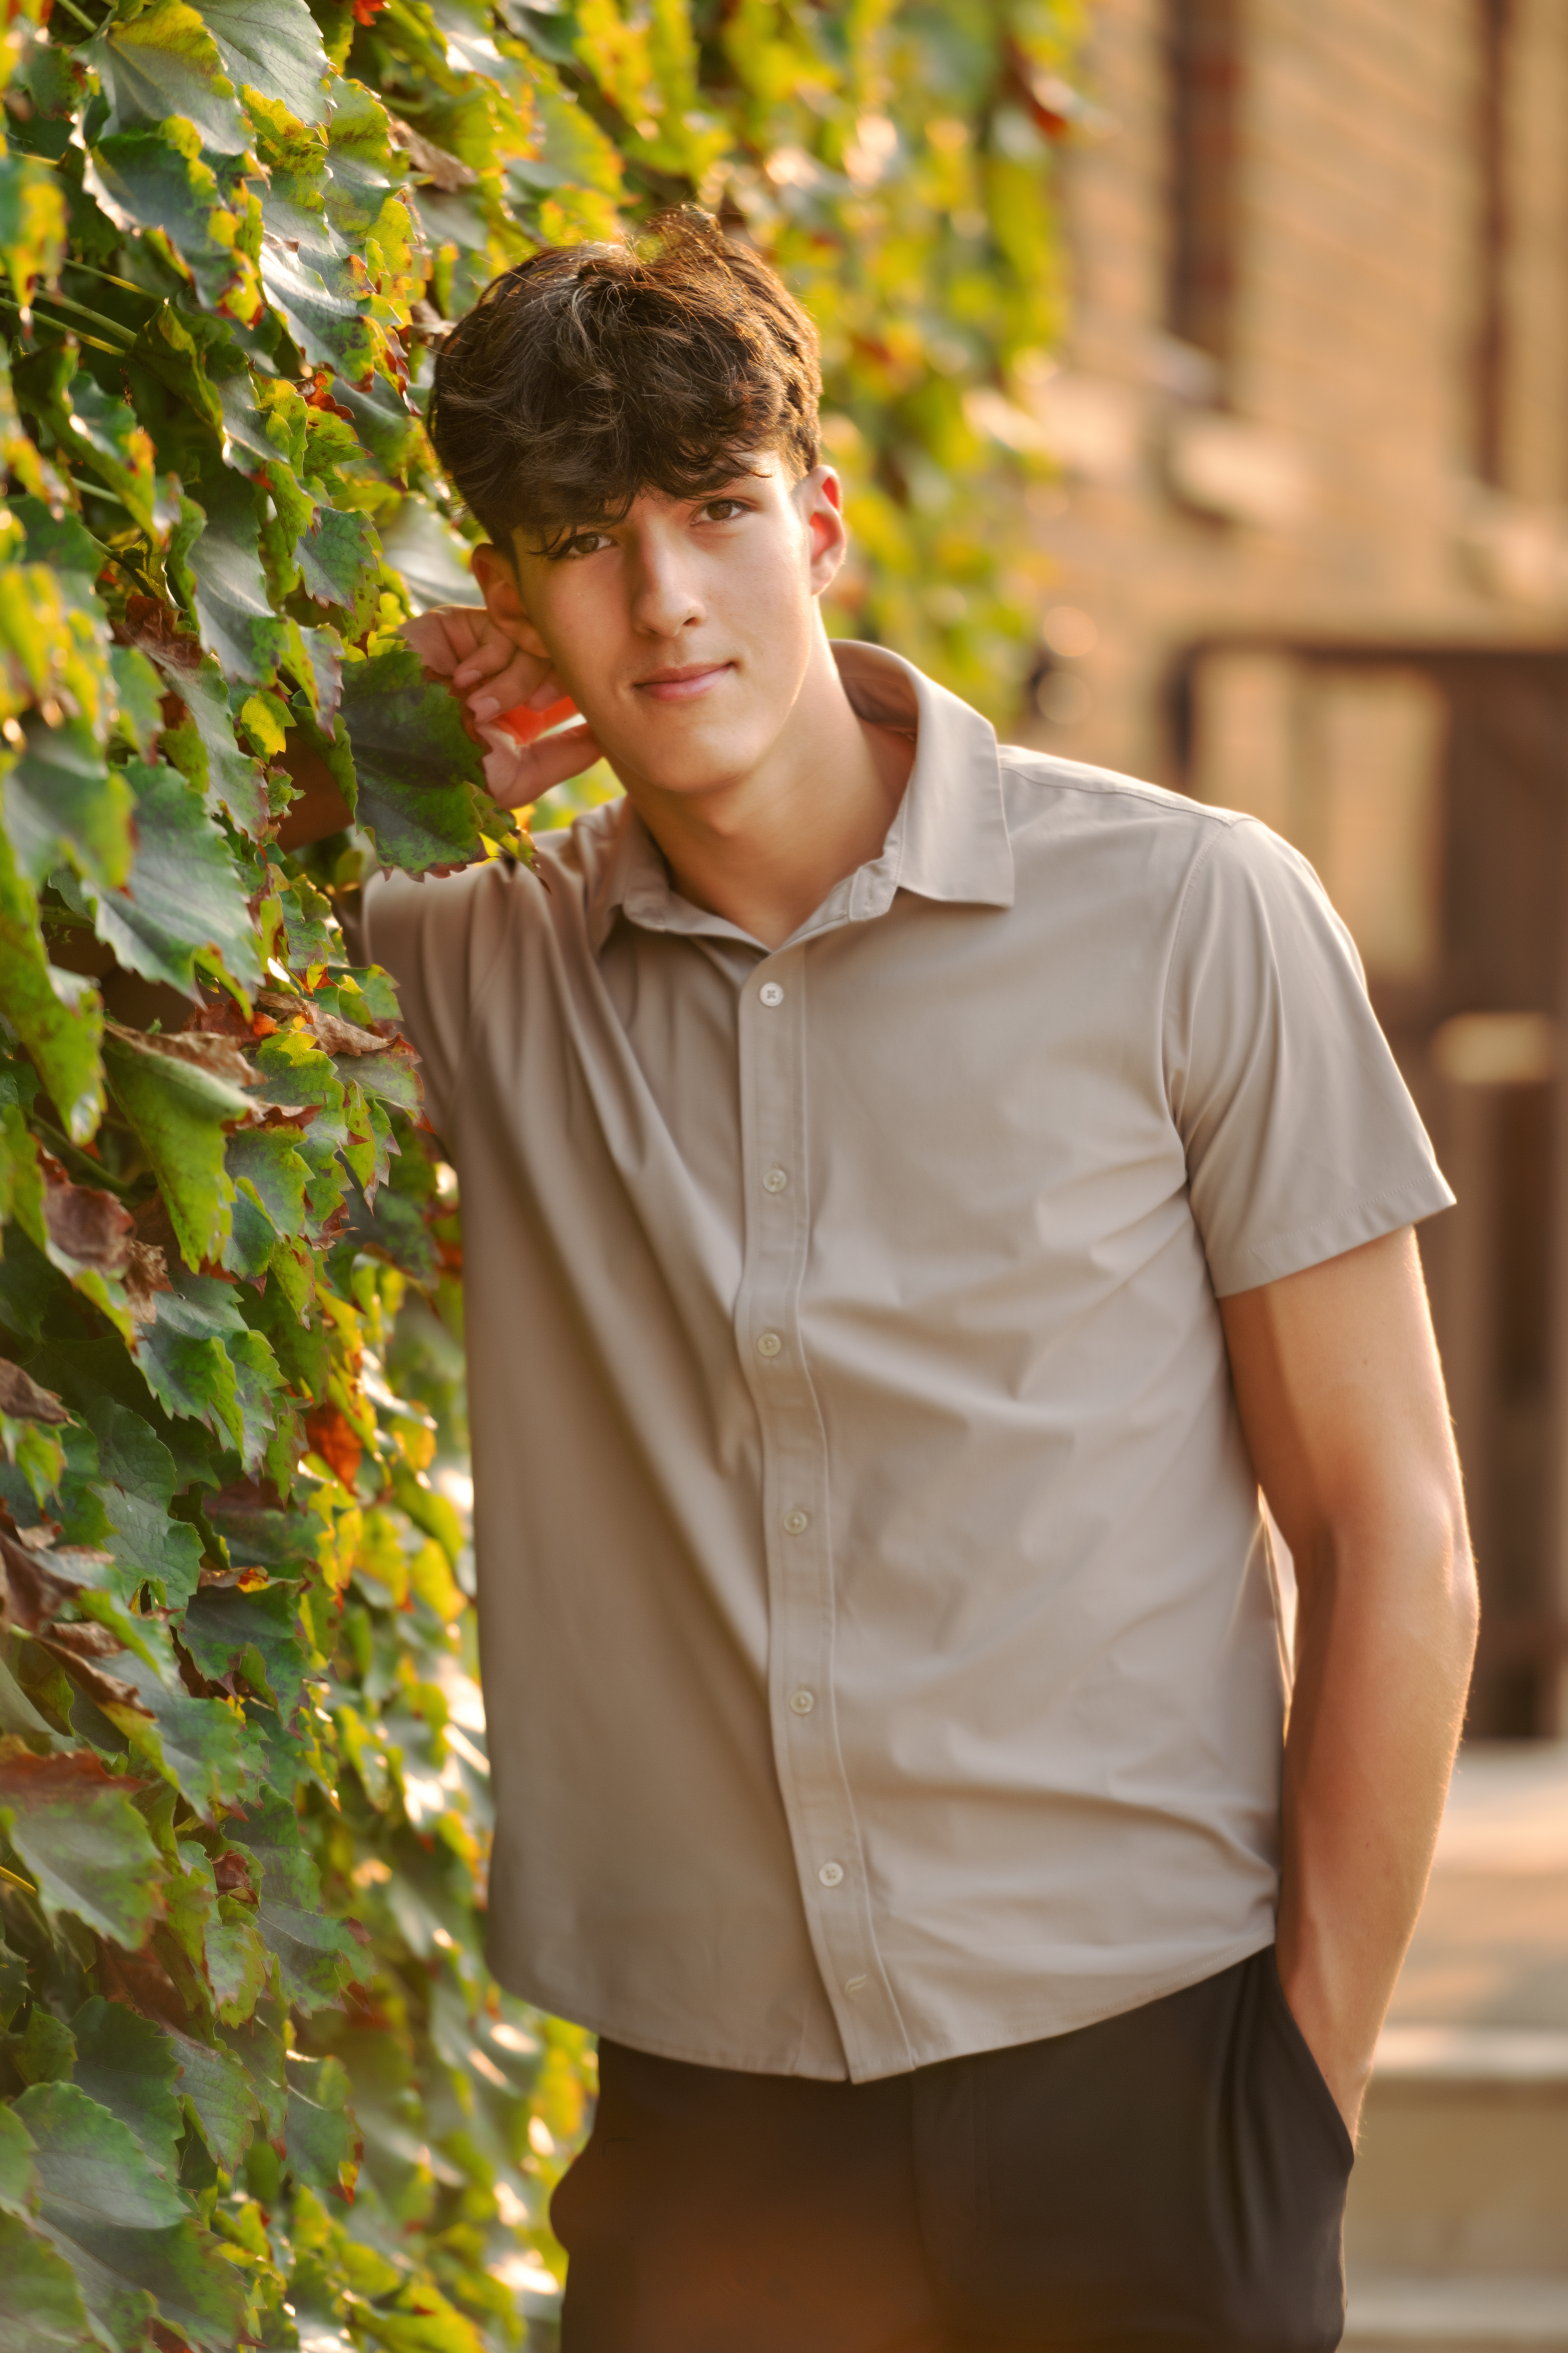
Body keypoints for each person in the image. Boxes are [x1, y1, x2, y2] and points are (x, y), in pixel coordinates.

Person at [281, 211, 1478, 2352]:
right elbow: (127, 976)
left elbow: (1391, 1528)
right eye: (580, 541)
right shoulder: (474, 965)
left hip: (1152, 2084)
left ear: (818, 522)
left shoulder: (1193, 915)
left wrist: (1302, 2086)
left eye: (718, 512)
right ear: (514, 601)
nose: (665, 599)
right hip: (708, 2139)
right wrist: (372, 758)